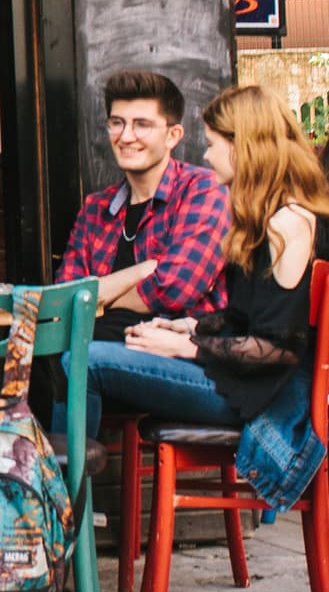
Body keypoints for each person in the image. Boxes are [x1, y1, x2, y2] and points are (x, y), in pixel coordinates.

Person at [77, 88, 329, 515]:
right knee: (81, 354)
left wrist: (186, 347)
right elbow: (246, 319)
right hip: (239, 380)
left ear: (243, 146)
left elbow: (278, 349)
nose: (206, 156)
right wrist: (191, 327)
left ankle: (63, 519)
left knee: (85, 360)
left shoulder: (288, 223)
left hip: (259, 397)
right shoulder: (262, 216)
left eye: (213, 144)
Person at [58, 70, 230, 337]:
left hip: (167, 347)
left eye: (142, 125)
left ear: (173, 135)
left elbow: (177, 288)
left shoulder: (202, 190)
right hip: (91, 346)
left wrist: (97, 299)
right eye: (117, 123)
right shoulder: (96, 208)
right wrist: (142, 271)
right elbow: (64, 301)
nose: (126, 137)